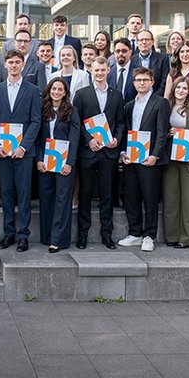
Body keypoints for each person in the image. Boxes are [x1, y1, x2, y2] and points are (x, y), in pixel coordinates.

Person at [0, 50, 42, 252]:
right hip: (3, 151)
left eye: (17, 62)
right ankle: (9, 233)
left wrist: (23, 147)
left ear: (23, 65)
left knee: (24, 194)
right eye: (10, 62)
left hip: (23, 152)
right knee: (6, 194)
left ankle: (23, 236)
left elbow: (36, 121)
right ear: (5, 65)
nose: (14, 65)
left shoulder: (32, 90)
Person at [73, 57, 124, 250]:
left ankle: (106, 234)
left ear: (108, 70)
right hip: (88, 152)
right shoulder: (81, 94)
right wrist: (89, 140)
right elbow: (76, 122)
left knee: (107, 195)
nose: (100, 73)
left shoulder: (117, 95)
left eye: (103, 70)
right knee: (85, 194)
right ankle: (82, 234)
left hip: (108, 153)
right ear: (91, 71)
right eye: (96, 70)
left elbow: (120, 122)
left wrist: (116, 140)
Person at [118, 67, 169, 252]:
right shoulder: (129, 105)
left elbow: (162, 132)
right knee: (131, 196)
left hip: (150, 159)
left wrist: (155, 155)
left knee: (150, 197)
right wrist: (123, 152)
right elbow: (125, 131)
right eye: (138, 80)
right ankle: (135, 233)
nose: (141, 83)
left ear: (152, 82)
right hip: (132, 158)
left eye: (145, 80)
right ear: (133, 83)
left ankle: (149, 236)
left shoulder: (160, 103)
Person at [36, 78, 80, 253]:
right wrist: (38, 159)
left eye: (60, 89)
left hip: (64, 161)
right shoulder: (42, 110)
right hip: (45, 160)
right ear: (49, 90)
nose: (56, 92)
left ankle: (58, 239)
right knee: (46, 198)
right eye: (53, 88)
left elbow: (75, 138)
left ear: (65, 92)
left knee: (62, 199)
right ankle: (47, 236)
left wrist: (70, 162)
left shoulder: (71, 111)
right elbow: (37, 137)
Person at [161, 76, 189, 248]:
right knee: (170, 199)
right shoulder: (166, 107)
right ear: (173, 89)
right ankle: (171, 236)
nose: (181, 90)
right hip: (170, 159)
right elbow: (159, 130)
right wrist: (167, 133)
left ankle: (187, 239)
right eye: (178, 87)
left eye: (184, 88)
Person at [132, 30, 169, 96]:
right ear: (137, 43)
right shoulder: (131, 60)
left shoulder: (163, 59)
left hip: (156, 98)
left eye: (147, 39)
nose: (144, 42)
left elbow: (164, 82)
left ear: (152, 42)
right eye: (141, 40)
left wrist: (154, 98)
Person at [109, 38, 137, 103]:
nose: (120, 54)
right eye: (118, 51)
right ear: (114, 53)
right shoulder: (108, 71)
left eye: (124, 51)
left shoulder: (138, 71)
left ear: (130, 52)